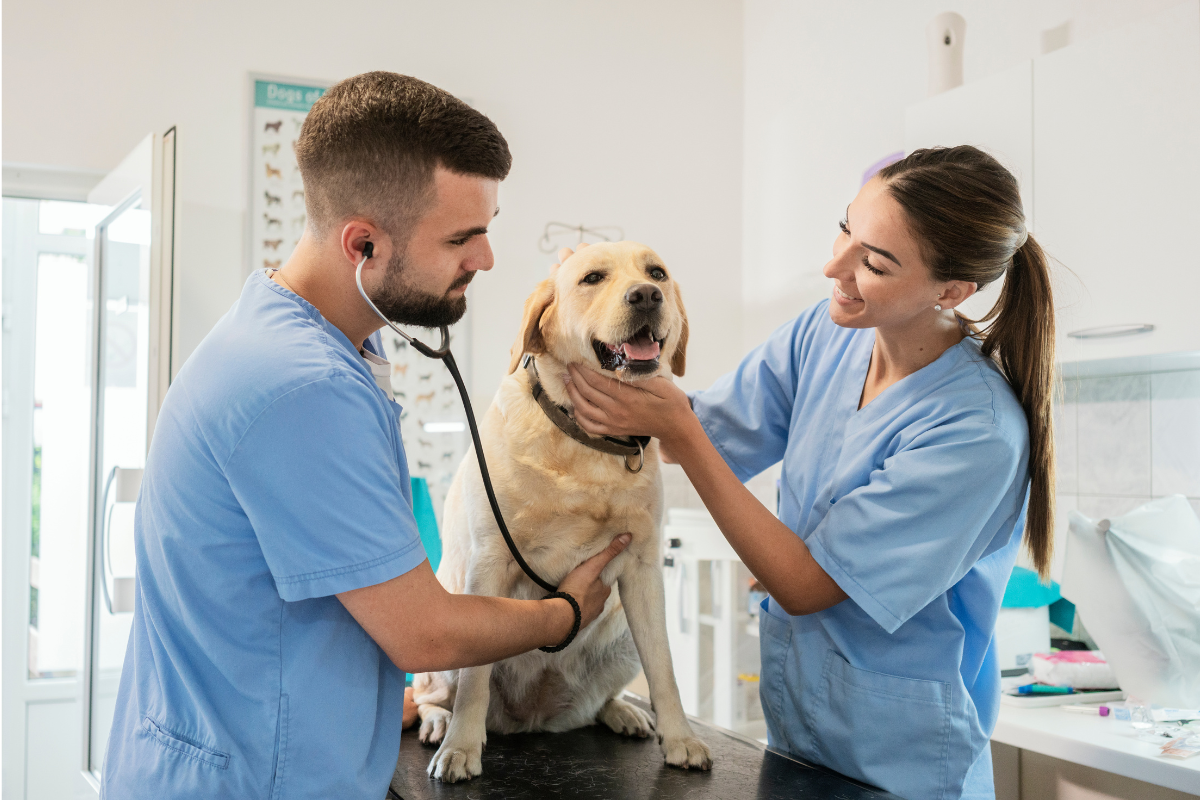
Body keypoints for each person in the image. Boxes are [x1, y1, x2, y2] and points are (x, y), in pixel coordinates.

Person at [101, 72, 630, 798]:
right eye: (461, 237)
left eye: (489, 226)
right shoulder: (301, 386)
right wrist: (563, 614)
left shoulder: (306, 340)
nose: (486, 259)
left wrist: (369, 702)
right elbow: (426, 634)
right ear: (363, 246)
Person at [564, 146, 1055, 800]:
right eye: (847, 228)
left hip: (901, 766)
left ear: (953, 291)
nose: (835, 266)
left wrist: (674, 425)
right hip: (800, 737)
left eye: (873, 262)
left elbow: (804, 583)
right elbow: (700, 434)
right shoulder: (827, 335)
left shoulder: (975, 431)